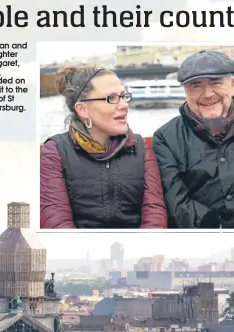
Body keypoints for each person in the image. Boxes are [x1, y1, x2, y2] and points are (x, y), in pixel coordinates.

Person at [153, 50, 234, 229]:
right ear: (185, 93)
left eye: (216, 82)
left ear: (232, 85)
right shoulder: (166, 138)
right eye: (196, 86)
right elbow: (177, 202)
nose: (208, 94)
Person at [41, 64, 167, 229]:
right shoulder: (55, 152)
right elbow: (56, 222)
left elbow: (154, 211)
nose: (124, 105)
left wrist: (142, 252)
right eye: (111, 98)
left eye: (123, 96)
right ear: (83, 109)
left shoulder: (140, 148)